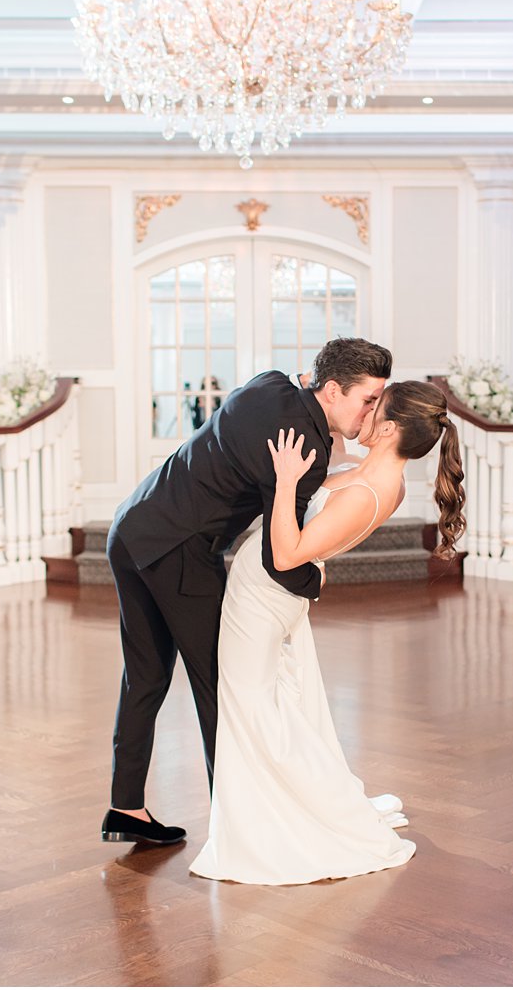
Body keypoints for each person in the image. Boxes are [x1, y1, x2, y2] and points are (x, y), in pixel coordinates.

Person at [102, 338, 392, 845]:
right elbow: (281, 556)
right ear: (330, 389)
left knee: (145, 677)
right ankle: (240, 826)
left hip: (132, 525)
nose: (374, 410)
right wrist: (315, 582)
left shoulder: (272, 382)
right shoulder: (302, 446)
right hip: (180, 549)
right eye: (367, 399)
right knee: (221, 683)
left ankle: (125, 807)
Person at [189, 380, 466, 885]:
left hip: (262, 598)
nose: (361, 416)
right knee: (267, 705)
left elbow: (289, 554)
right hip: (267, 595)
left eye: (371, 408)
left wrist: (286, 483)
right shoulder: (379, 477)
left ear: (388, 428)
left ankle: (284, 821)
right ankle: (273, 807)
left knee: (251, 707)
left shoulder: (368, 492)